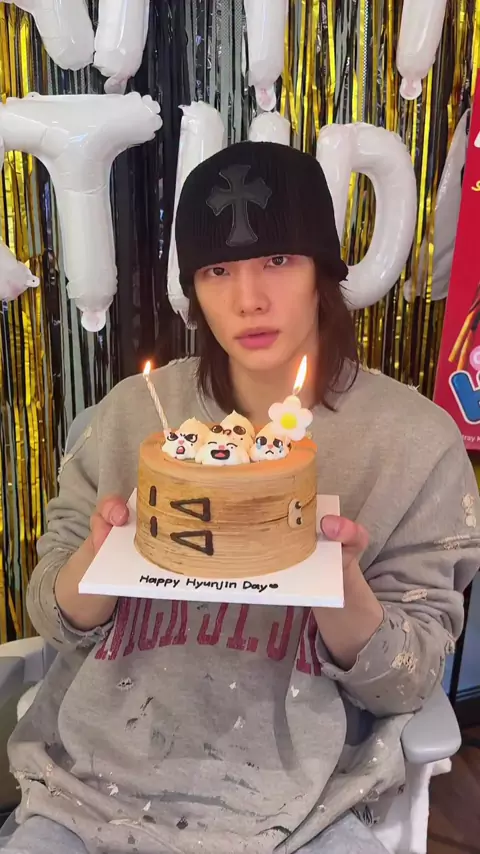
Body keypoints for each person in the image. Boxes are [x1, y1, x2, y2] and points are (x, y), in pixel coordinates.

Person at [5, 142, 480, 854]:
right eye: (218, 270)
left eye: (278, 260)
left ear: (323, 270)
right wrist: (98, 561)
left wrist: (339, 581)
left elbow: (407, 681)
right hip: (88, 792)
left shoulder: (414, 444)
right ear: (194, 288)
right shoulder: (137, 415)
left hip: (310, 808)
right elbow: (51, 614)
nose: (248, 298)